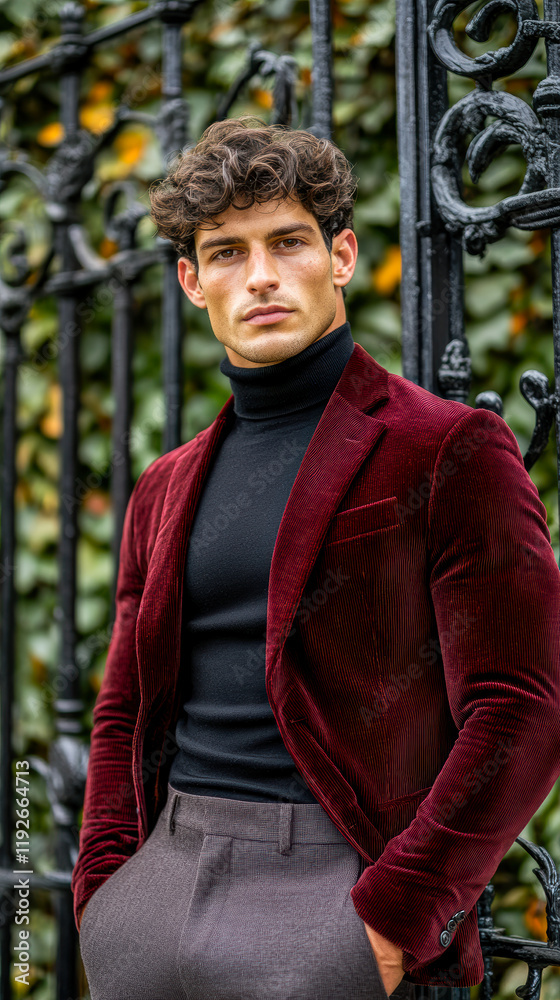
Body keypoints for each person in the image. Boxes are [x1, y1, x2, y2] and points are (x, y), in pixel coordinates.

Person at [72, 117, 560, 1000]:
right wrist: (103, 894)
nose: (259, 276)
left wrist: (392, 922)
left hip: (335, 900)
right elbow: (123, 710)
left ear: (339, 257)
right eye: (226, 253)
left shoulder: (449, 449)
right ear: (192, 281)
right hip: (157, 893)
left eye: (287, 242)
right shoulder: (165, 484)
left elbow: (523, 710)